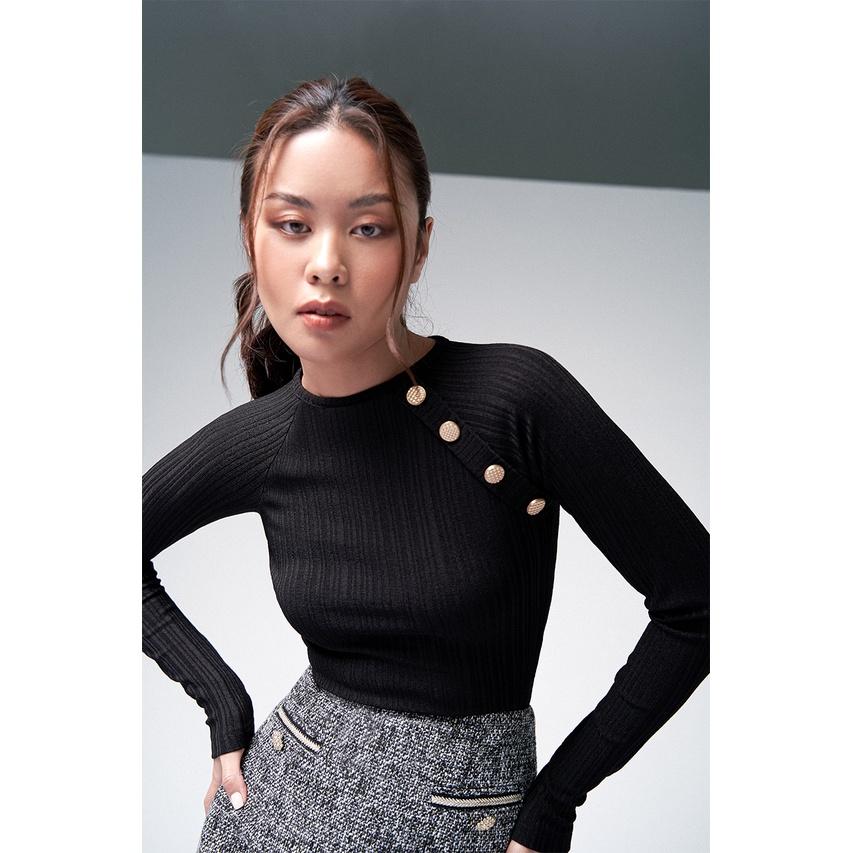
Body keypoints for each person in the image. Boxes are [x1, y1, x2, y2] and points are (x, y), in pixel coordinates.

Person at [142, 75, 710, 853]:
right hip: (275, 809)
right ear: (251, 237)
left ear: (420, 245)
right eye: (292, 224)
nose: (326, 263)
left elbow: (698, 602)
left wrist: (553, 805)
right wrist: (221, 702)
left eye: (368, 228)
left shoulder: (514, 398)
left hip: (466, 817)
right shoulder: (265, 438)